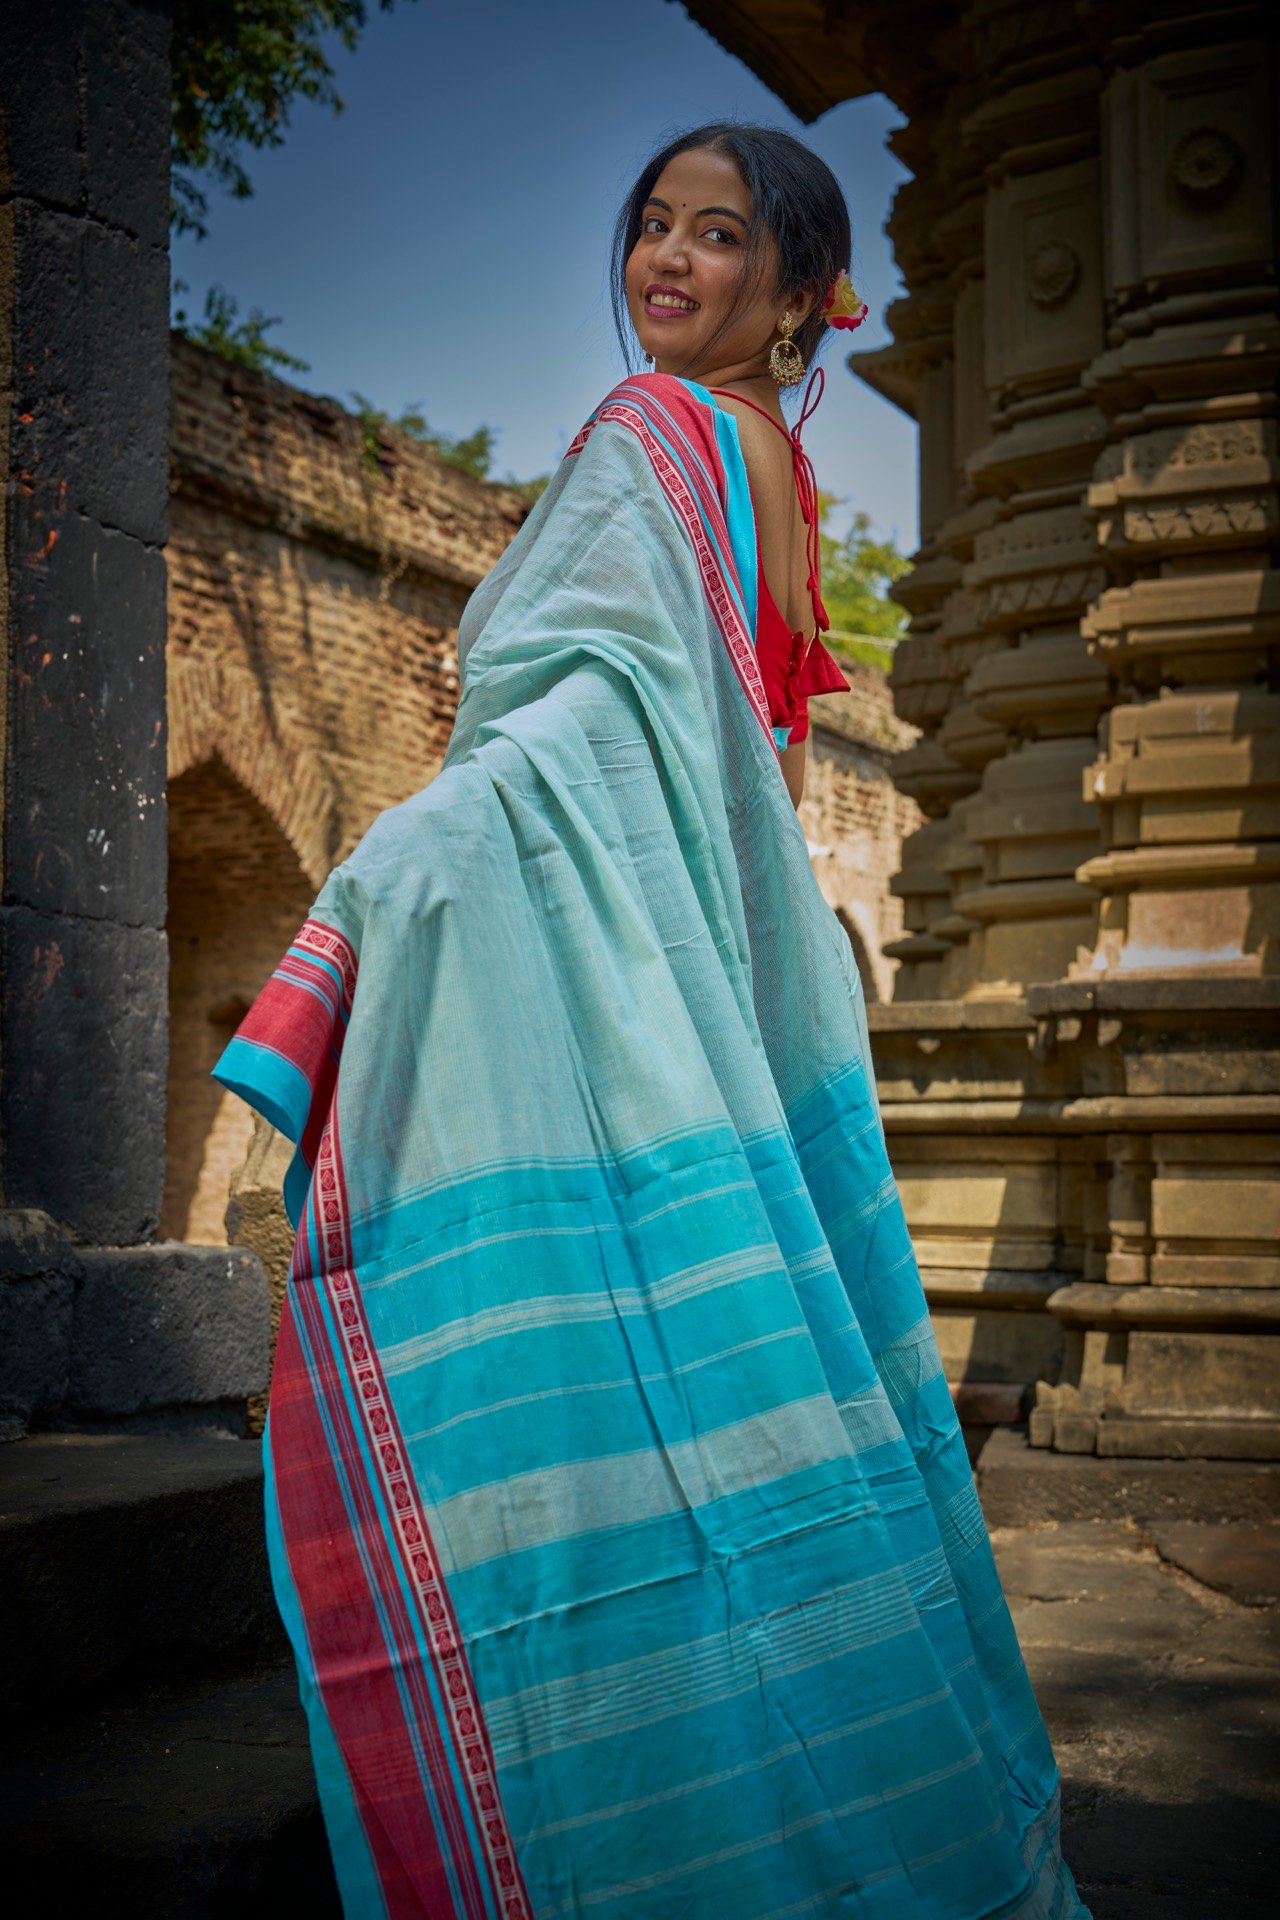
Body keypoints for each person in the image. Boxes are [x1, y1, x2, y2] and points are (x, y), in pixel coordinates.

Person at [214, 123, 1090, 1920]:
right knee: (773, 1388)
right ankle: (863, 1782)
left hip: (648, 947)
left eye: (719, 236)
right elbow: (740, 759)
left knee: (628, 1400)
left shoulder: (652, 436)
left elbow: (587, 719)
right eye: (652, 228)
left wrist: (416, 859)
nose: (669, 261)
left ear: (795, 290)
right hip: (732, 963)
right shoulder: (773, 464)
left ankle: (632, 1814)